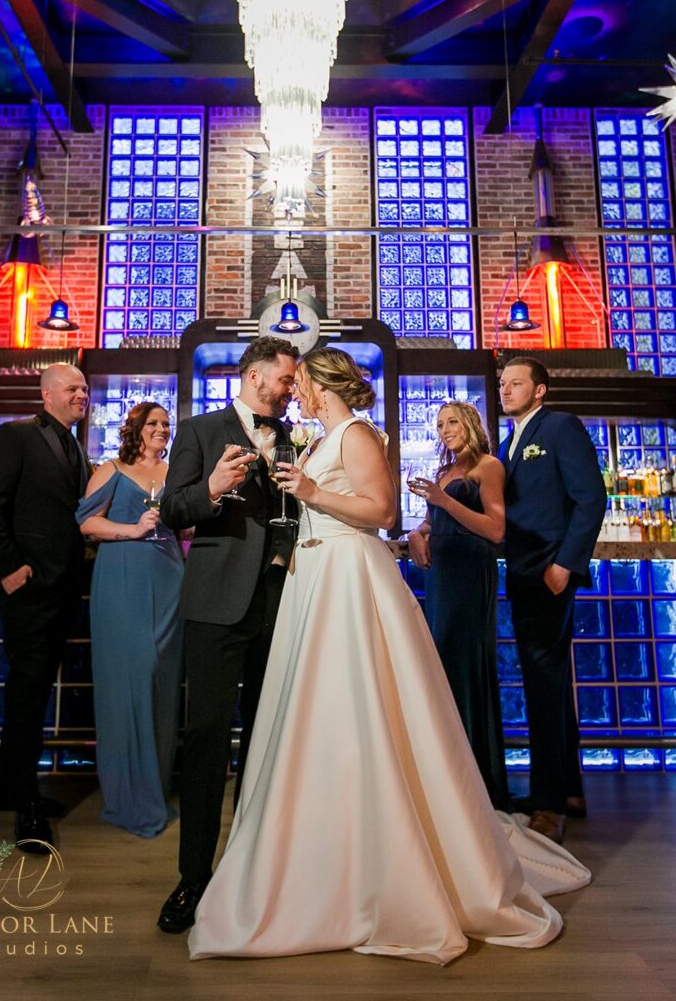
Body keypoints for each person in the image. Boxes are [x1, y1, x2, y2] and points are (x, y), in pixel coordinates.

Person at [188, 347, 590, 964]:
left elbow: (382, 512)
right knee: (319, 719)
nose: (294, 393)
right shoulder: (323, 436)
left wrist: (314, 491)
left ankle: (390, 853)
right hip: (313, 577)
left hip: (349, 574)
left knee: (365, 707)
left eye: (301, 385)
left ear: (323, 387)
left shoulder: (355, 434)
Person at [156, 335, 299, 933]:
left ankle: (255, 869)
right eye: (286, 378)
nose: (292, 389)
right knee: (209, 739)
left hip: (283, 601)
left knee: (270, 740)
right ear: (256, 374)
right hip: (216, 604)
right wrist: (212, 486)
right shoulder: (200, 430)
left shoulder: (296, 436)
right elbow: (171, 509)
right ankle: (194, 877)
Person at [0, 363, 91, 851]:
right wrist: (9, 569)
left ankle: (7, 788)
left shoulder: (74, 445)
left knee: (35, 687)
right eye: (73, 387)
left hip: (60, 586)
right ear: (47, 394)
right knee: (27, 692)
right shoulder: (15, 436)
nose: (82, 393)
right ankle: (25, 804)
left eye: (84, 387)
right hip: (28, 587)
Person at [498, 356, 606, 844]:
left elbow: (591, 498)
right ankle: (569, 790)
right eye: (502, 383)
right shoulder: (507, 443)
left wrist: (566, 563)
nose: (506, 389)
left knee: (543, 682)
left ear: (539, 390)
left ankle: (547, 805)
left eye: (516, 383)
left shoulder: (560, 427)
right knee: (550, 679)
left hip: (549, 572)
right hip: (523, 573)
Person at [76, 402, 184, 838]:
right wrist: (133, 530)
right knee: (130, 679)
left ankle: (156, 786)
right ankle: (128, 795)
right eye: (153, 423)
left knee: (163, 679)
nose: (161, 429)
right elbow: (87, 524)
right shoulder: (111, 469)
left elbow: (186, 526)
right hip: (122, 579)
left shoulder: (176, 472)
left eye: (165, 424)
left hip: (170, 578)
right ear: (135, 429)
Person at [407, 401, 510, 810]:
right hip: (441, 573)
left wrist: (444, 502)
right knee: (442, 662)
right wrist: (418, 532)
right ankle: (447, 772)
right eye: (439, 425)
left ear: (469, 423)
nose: (445, 429)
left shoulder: (488, 467)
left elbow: (496, 528)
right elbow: (436, 521)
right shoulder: (442, 473)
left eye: (451, 421)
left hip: (470, 570)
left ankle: (478, 781)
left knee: (465, 661)